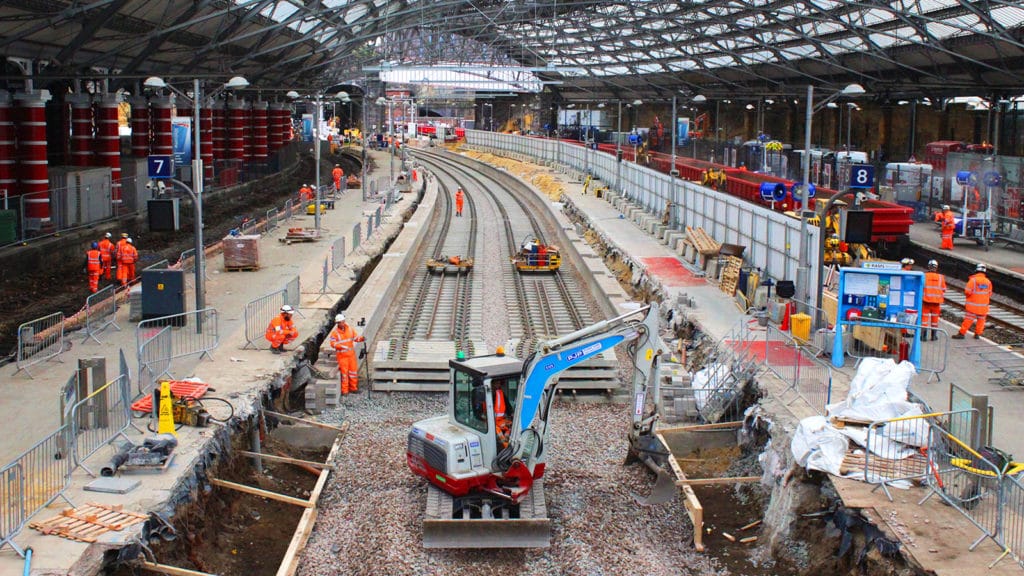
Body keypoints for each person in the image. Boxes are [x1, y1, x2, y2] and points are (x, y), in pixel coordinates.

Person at [953, 263, 992, 340]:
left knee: (968, 320)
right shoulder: (988, 282)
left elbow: (967, 292)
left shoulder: (973, 280)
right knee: (981, 321)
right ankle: (977, 334)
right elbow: (989, 293)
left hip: (973, 307)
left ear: (976, 270)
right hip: (983, 307)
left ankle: (962, 333)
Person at [328, 313, 365, 395]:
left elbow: (355, 338)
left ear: (344, 321)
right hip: (342, 357)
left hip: (351, 355)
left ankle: (353, 388)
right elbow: (332, 343)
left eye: (342, 322)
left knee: (353, 372)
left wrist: (361, 339)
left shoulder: (350, 330)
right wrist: (340, 346)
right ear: (337, 323)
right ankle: (345, 391)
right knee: (344, 374)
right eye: (340, 322)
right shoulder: (335, 333)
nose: (342, 323)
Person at [922, 260, 946, 341]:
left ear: (928, 267)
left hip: (926, 301)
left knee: (924, 320)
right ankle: (933, 336)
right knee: (935, 320)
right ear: (936, 267)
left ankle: (923, 336)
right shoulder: (941, 277)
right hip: (936, 303)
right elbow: (944, 289)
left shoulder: (924, 276)